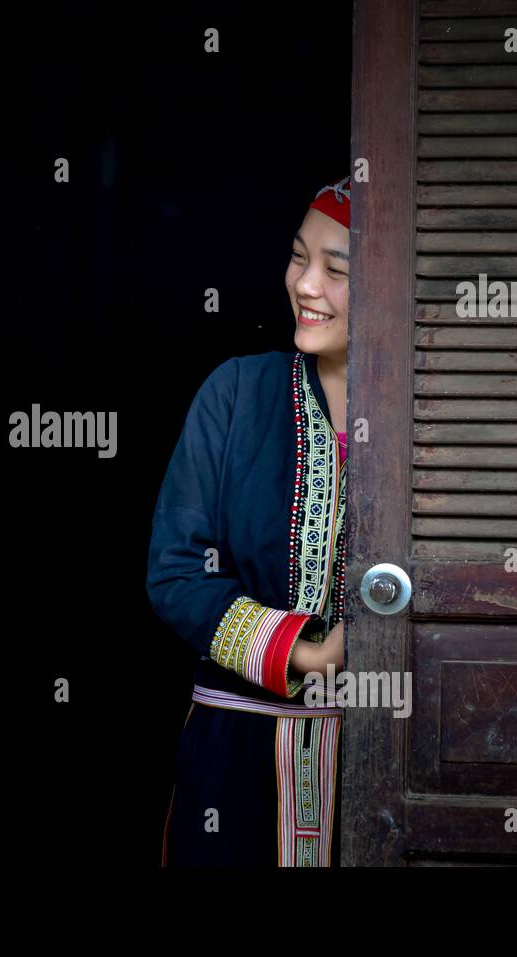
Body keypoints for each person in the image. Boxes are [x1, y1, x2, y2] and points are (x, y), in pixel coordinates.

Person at [147, 175, 352, 867]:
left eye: (337, 269)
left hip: (373, 763)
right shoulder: (235, 393)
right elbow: (174, 572)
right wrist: (304, 649)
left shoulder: (432, 423)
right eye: (299, 257)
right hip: (234, 759)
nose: (307, 284)